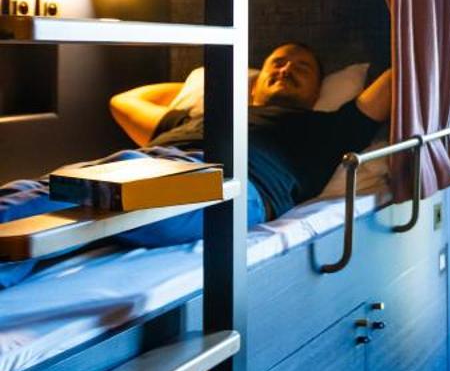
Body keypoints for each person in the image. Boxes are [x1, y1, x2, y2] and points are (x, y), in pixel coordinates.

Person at [0, 42, 392, 287]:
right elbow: (123, 100)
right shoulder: (203, 118)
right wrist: (215, 89)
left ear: (316, 93)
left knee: (51, 203)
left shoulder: (326, 126)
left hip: (229, 184)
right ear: (254, 83)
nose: (286, 69)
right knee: (29, 197)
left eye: (301, 69)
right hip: (143, 166)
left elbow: (395, 82)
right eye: (277, 63)